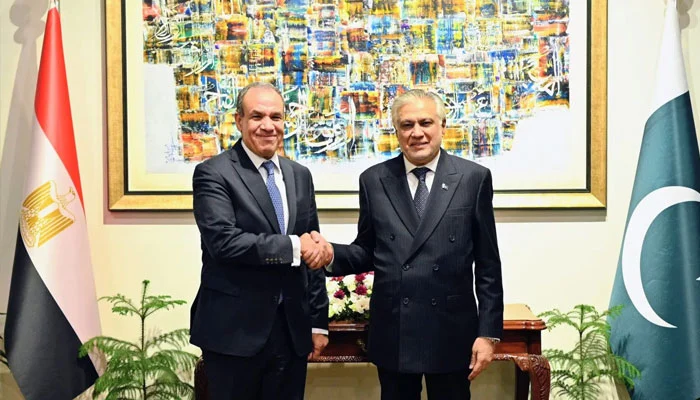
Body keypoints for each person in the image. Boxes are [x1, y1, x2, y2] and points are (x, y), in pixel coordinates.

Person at [311, 89, 504, 399]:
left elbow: (488, 264)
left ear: (442, 125)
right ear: (396, 130)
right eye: (407, 125)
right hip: (395, 330)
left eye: (425, 122)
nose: (417, 133)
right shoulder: (374, 180)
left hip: (452, 330)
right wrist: (331, 253)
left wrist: (489, 333)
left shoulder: (473, 178)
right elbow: (367, 250)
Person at [190, 82, 330, 400]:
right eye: (257, 116)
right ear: (239, 121)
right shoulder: (213, 173)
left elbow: (313, 249)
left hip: (291, 333)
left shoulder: (299, 175)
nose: (268, 126)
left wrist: (317, 322)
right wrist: (294, 247)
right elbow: (224, 242)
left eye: (276, 117)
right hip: (234, 333)